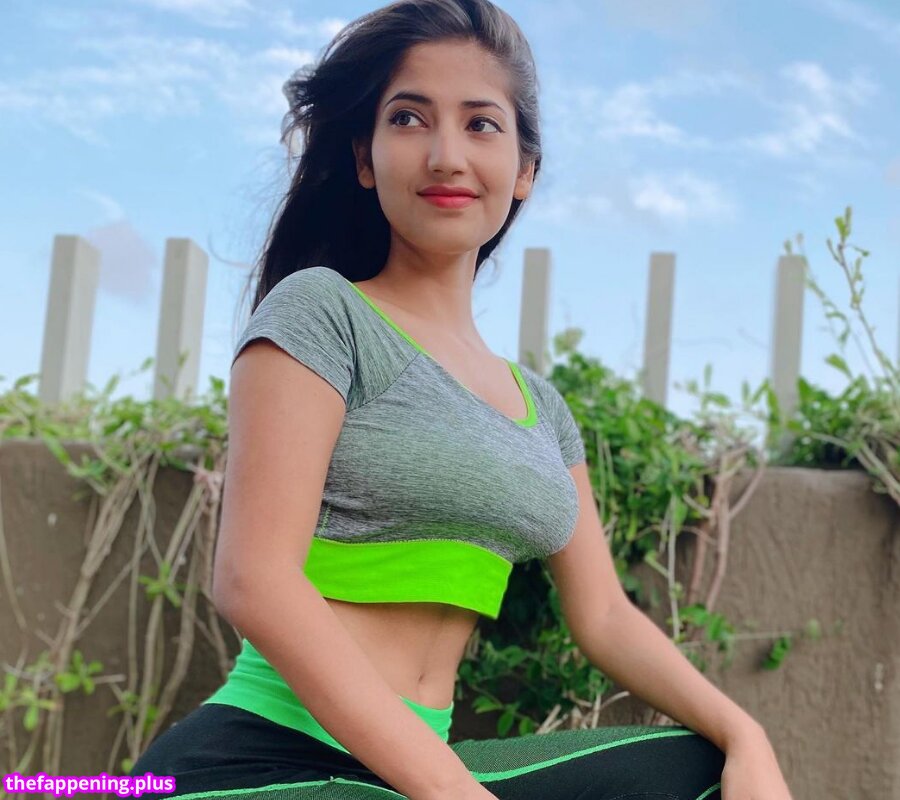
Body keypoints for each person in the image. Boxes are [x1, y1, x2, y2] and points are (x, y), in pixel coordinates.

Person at [129, 1, 794, 798]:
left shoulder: (541, 409)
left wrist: (745, 734)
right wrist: (453, 793)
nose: (446, 155)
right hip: (262, 761)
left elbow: (606, 618)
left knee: (700, 771)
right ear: (366, 158)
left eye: (480, 124)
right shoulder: (323, 313)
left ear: (524, 170)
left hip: (410, 773)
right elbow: (255, 580)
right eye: (409, 118)